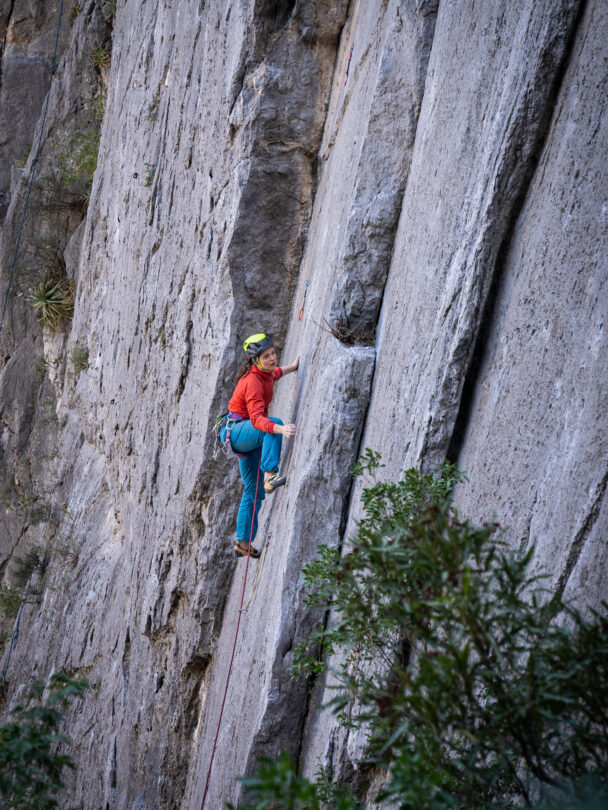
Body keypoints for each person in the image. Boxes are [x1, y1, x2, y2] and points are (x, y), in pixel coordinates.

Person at [219, 333, 299, 558]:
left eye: (273, 353)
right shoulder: (252, 382)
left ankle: (242, 542)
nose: (272, 358)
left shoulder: (262, 373)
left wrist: (293, 367)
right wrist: (280, 429)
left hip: (242, 436)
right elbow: (256, 420)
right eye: (267, 356)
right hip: (237, 431)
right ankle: (270, 475)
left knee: (253, 491)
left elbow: (274, 373)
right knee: (272, 424)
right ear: (256, 360)